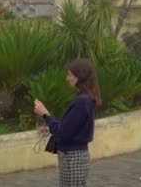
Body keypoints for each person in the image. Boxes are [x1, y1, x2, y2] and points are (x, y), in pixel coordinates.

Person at [34, 59, 101, 187]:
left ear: (79, 77)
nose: (67, 78)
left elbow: (63, 132)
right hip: (74, 157)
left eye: (70, 75)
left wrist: (44, 114)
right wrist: (50, 127)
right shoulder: (84, 99)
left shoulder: (82, 101)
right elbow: (71, 126)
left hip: (73, 158)